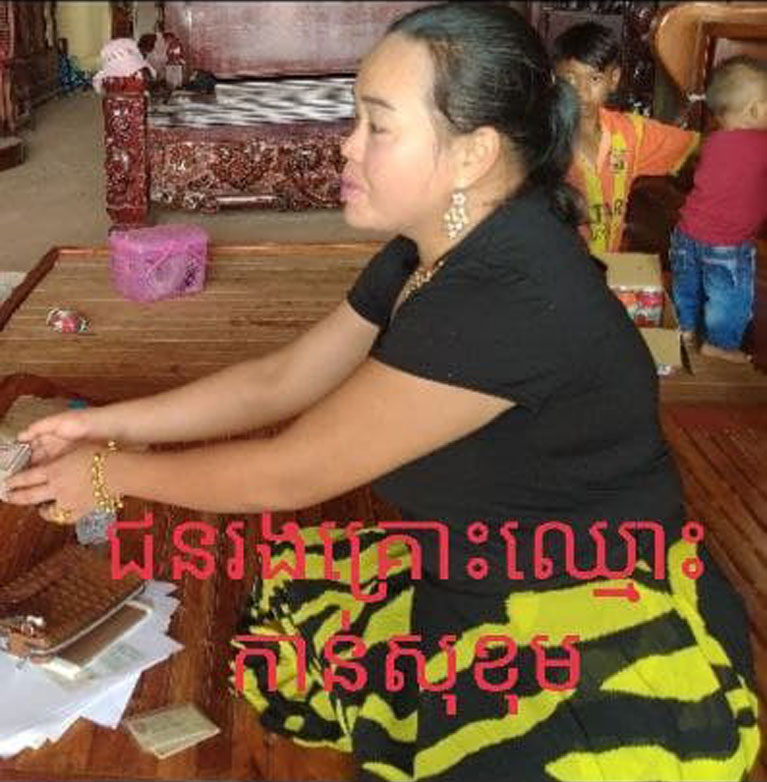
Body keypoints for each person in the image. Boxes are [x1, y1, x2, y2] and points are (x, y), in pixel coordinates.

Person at [3, 4, 760, 780]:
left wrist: (110, 472)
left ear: (473, 154)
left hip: (586, 597)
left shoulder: (507, 294)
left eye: (378, 125)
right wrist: (107, 427)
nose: (347, 144)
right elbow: (282, 379)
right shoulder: (428, 250)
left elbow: (289, 472)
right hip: (481, 559)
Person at [553, 22, 700, 254]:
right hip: (557, 263)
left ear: (613, 79)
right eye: (570, 79)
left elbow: (694, 145)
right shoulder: (543, 137)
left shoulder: (631, 133)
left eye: (594, 79)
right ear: (554, 79)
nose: (581, 92)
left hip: (610, 264)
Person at [669, 55, 767, 364]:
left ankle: (684, 329)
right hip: (728, 245)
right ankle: (720, 345)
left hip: (686, 235)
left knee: (687, 288)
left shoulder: (711, 142)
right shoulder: (761, 145)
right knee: (729, 299)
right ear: (755, 110)